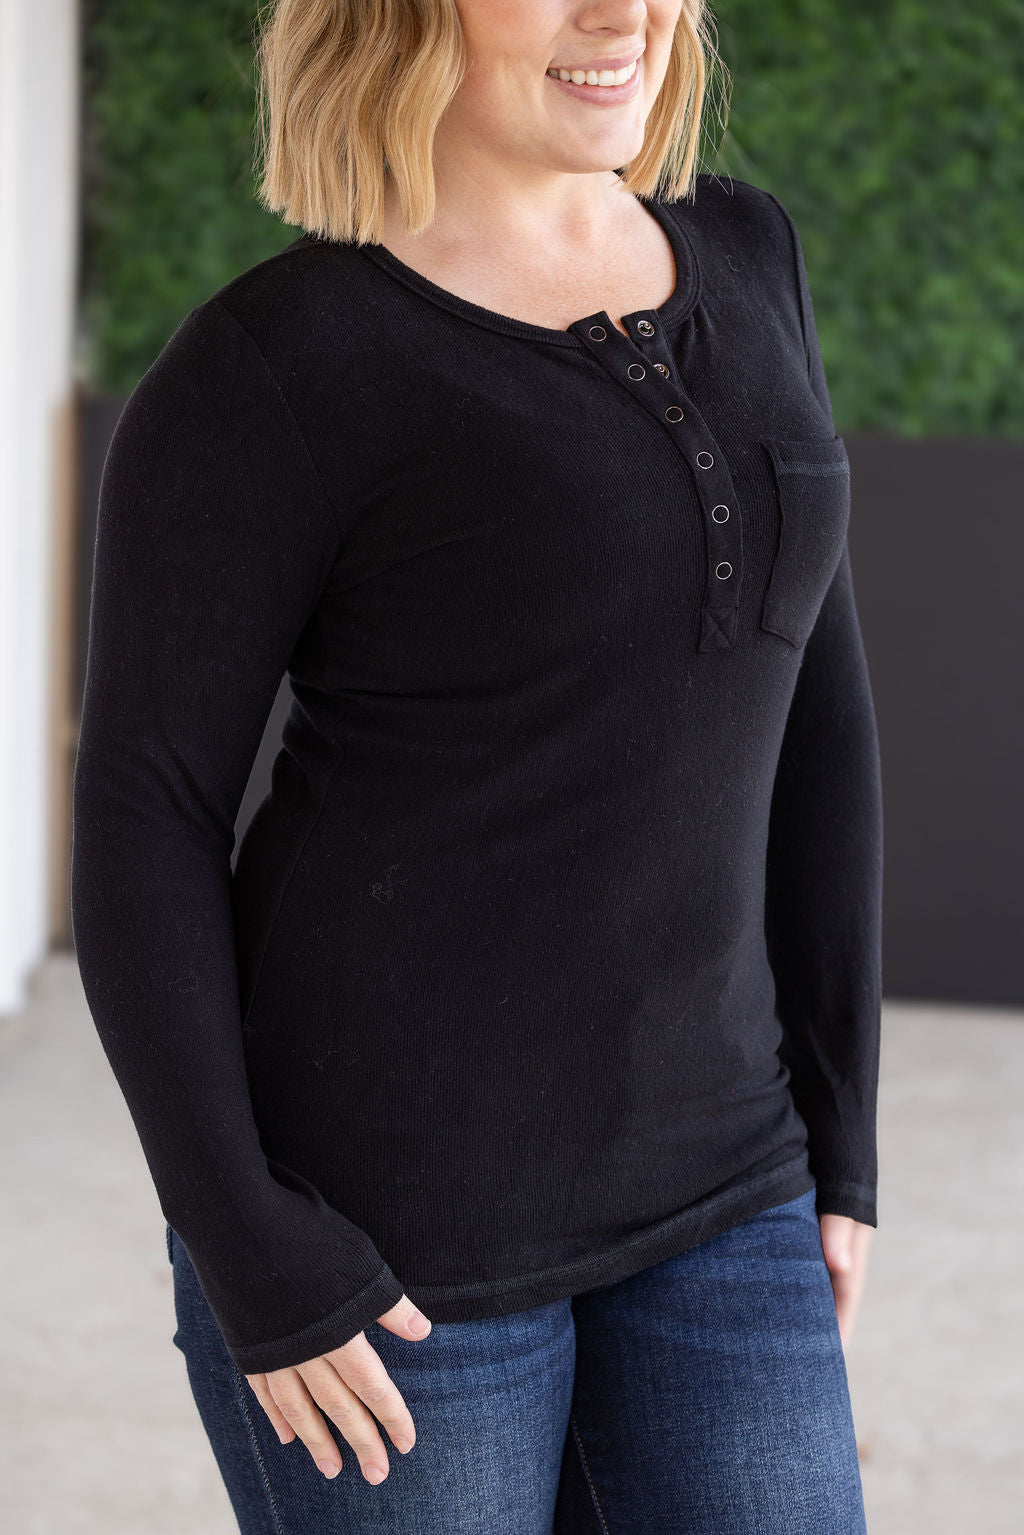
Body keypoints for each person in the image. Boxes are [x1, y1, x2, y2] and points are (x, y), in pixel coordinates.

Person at [71, 1, 882, 1530]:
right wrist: (249, 1242)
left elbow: (817, 710)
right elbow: (145, 815)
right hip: (387, 1247)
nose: (623, 15)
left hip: (727, 1183)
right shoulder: (278, 361)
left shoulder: (750, 250)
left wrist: (842, 1133)